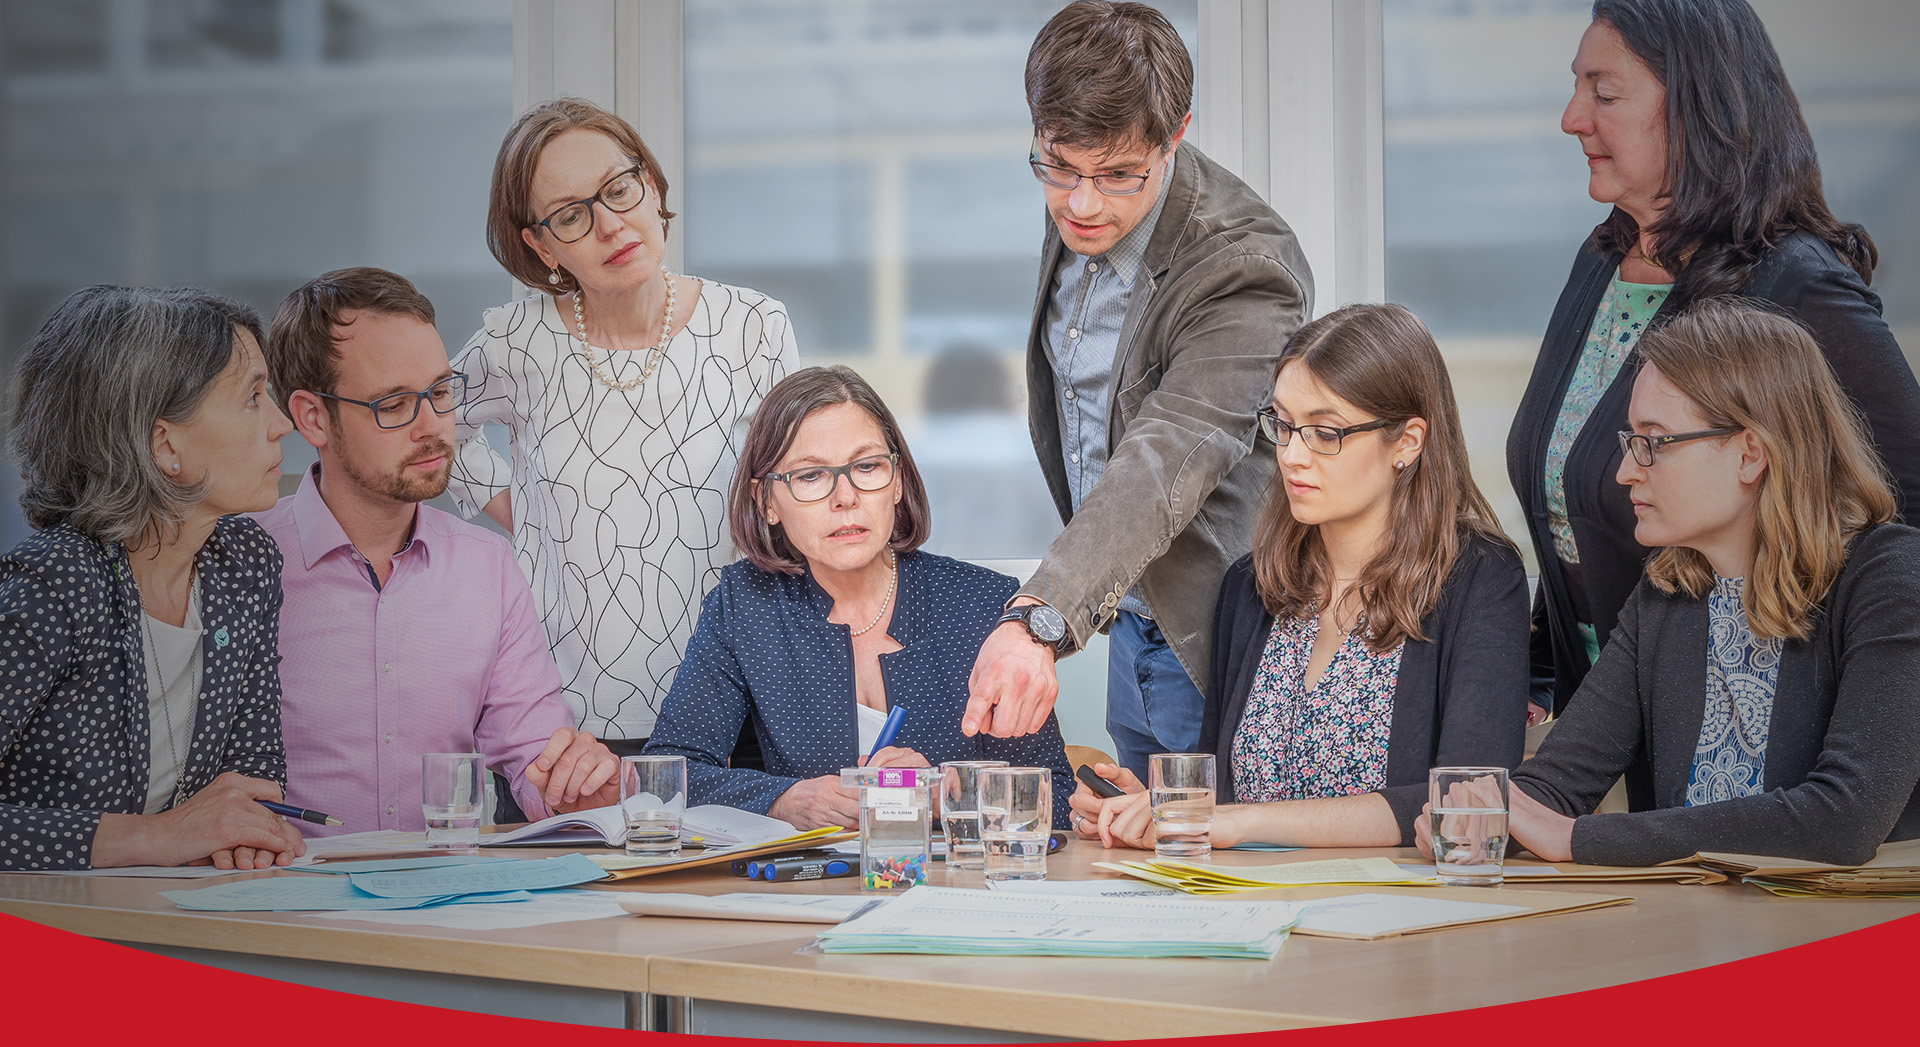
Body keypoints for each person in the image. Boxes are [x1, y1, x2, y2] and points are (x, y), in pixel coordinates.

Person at [1506, 0, 1920, 730]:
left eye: (1604, 93)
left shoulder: (1795, 282)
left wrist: (1856, 728)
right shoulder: (1603, 261)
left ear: (1700, 108)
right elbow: (1574, 496)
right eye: (1577, 88)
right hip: (1597, 744)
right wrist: (1539, 668)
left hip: (1743, 758)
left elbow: (1906, 515)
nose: (1574, 117)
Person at [963, 1, 1314, 782]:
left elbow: (1164, 455)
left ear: (1176, 133)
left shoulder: (1244, 267)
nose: (1082, 204)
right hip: (1130, 613)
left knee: (1215, 873)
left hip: (1216, 631)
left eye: (1119, 175)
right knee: (1138, 864)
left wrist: (1044, 618)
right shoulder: (1086, 196)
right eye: (1058, 166)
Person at [1445, 299, 1920, 867]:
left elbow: (1845, 818)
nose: (1624, 471)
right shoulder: (1668, 590)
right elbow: (1555, 787)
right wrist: (1474, 818)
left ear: (1750, 453)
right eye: (1630, 440)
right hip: (1692, 928)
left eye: (1653, 441)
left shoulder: (1891, 579)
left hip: (1845, 944)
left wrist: (1578, 838)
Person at [1068, 305, 1529, 849]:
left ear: (1407, 441)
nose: (1291, 455)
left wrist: (1238, 821)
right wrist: (1164, 803)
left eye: (1325, 433)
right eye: (1283, 426)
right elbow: (1223, 788)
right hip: (1248, 914)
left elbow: (1468, 802)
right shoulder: (1251, 584)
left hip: (1391, 919)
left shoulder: (1480, 579)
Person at [448, 97, 798, 751]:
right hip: (564, 714)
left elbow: (786, 495)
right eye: (571, 215)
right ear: (540, 242)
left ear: (652, 182)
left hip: (728, 703)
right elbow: (436, 425)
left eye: (619, 189)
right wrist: (524, 513)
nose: (611, 225)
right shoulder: (515, 343)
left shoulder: (753, 325)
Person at [253, 268, 621, 835]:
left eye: (441, 392)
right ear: (312, 417)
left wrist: (579, 784)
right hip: (280, 902)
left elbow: (536, 761)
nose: (433, 427)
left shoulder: (488, 567)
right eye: (394, 404)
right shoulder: (238, 563)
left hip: (445, 904)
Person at [645, 366, 1075, 830]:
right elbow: (666, 775)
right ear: (767, 501)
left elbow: (1054, 794)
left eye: (867, 466)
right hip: (809, 889)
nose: (845, 497)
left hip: (958, 889)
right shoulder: (743, 606)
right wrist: (785, 799)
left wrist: (944, 796)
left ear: (898, 482)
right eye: (811, 475)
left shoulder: (982, 602)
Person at [0, 286, 306, 871]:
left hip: (167, 918)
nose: (282, 423)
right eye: (251, 398)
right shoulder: (57, 582)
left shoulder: (245, 563)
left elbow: (254, 771)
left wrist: (244, 833)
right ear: (164, 443)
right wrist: (157, 838)